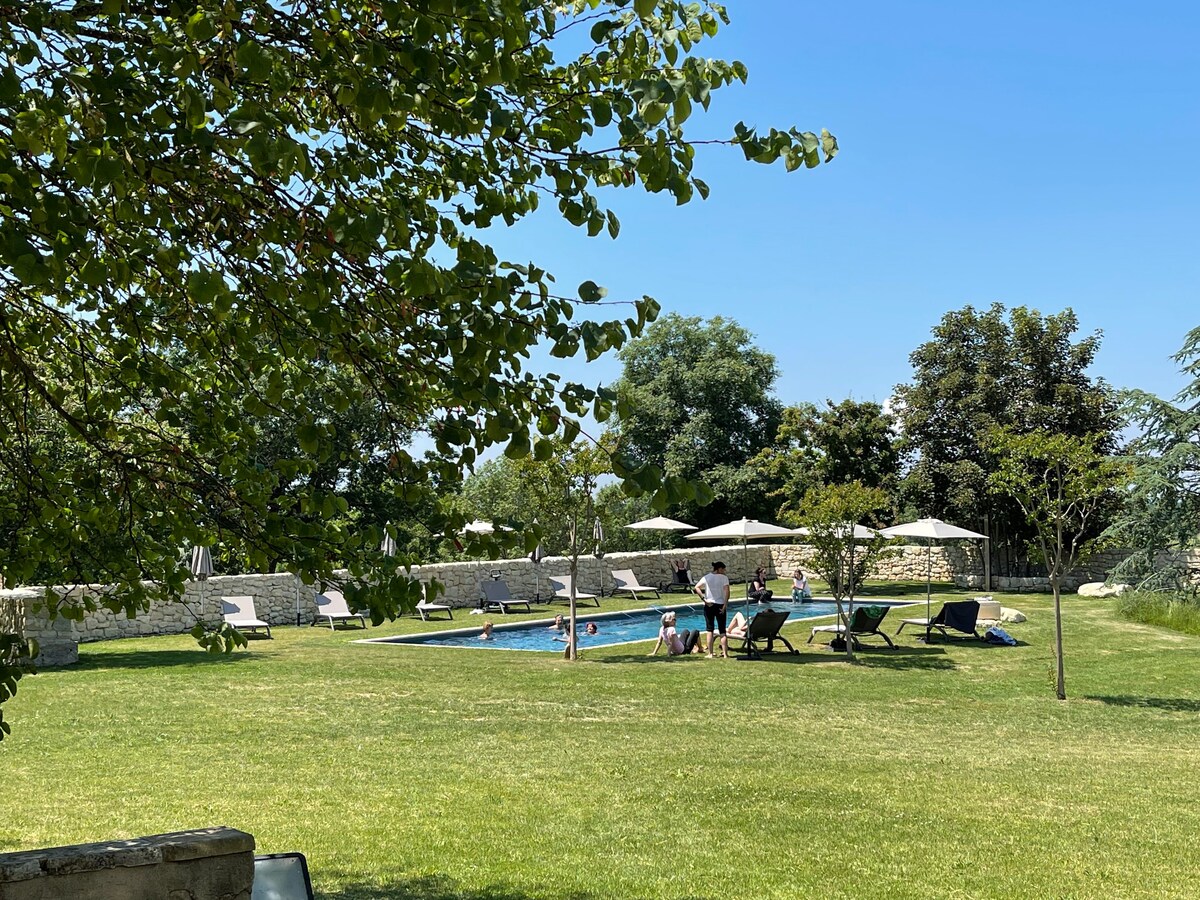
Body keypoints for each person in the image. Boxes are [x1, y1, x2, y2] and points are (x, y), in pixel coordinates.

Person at [695, 560, 731, 658]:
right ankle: (725, 654)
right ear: (719, 569)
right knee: (722, 630)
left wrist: (704, 599)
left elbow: (697, 587)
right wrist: (725, 605)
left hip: (709, 605)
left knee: (709, 629)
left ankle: (710, 653)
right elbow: (727, 592)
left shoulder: (706, 577)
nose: (724, 571)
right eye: (723, 569)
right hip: (720, 604)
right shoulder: (724, 578)